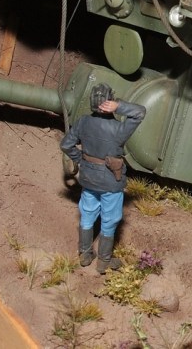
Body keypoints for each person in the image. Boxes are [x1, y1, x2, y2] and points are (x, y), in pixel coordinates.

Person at [61, 83, 147, 274]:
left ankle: (84, 254)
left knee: (87, 215)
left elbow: (66, 145)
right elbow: (140, 112)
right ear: (110, 100)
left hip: (89, 179)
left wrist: (81, 161)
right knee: (110, 220)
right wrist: (119, 106)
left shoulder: (83, 122)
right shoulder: (118, 128)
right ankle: (104, 261)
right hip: (110, 182)